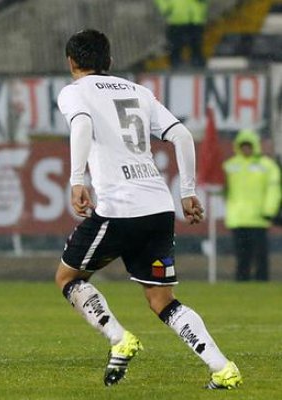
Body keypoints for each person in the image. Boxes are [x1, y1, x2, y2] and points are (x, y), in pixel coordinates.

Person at [55, 29, 242, 389]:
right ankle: (222, 368)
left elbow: (81, 124)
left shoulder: (74, 92)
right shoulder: (138, 91)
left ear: (71, 62)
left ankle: (119, 338)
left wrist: (77, 180)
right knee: (161, 300)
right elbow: (182, 136)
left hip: (117, 207)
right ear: (109, 61)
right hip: (158, 205)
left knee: (68, 278)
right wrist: (187, 191)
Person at [223, 129, 281, 281]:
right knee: (242, 254)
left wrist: (269, 210)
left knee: (260, 254)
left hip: (258, 217)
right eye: (243, 146)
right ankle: (242, 280)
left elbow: (274, 189)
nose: (246, 149)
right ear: (238, 147)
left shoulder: (267, 166)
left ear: (254, 146)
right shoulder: (230, 166)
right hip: (238, 218)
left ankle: (261, 280)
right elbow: (221, 187)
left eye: (249, 146)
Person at [155, 0, 207, 68]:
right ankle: (176, 63)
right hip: (177, 17)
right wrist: (166, 8)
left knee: (196, 44)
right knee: (175, 44)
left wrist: (202, 6)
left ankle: (197, 61)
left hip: (196, 16)